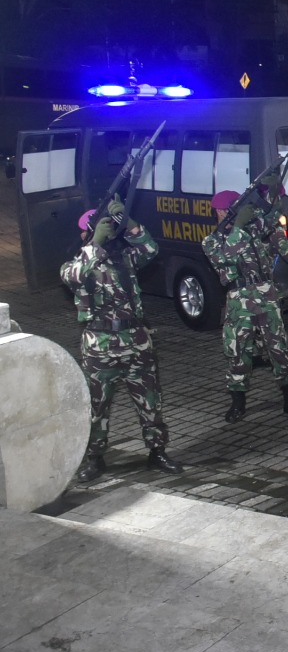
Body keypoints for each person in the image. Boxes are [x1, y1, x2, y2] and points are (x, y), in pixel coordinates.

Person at [63, 200, 183, 482]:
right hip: (100, 346)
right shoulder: (75, 263)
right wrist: (94, 244)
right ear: (85, 235)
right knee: (97, 406)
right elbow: (76, 276)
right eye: (97, 229)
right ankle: (95, 458)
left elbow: (150, 249)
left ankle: (158, 451)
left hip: (136, 342)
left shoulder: (125, 259)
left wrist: (126, 220)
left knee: (151, 401)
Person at [203, 188, 288, 422]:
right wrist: (237, 228)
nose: (222, 214)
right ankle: (238, 403)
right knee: (237, 351)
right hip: (239, 298)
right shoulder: (212, 241)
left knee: (278, 347)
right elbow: (226, 256)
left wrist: (271, 190)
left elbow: (273, 217)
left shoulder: (257, 229)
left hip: (266, 293)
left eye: (227, 210)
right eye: (219, 211)